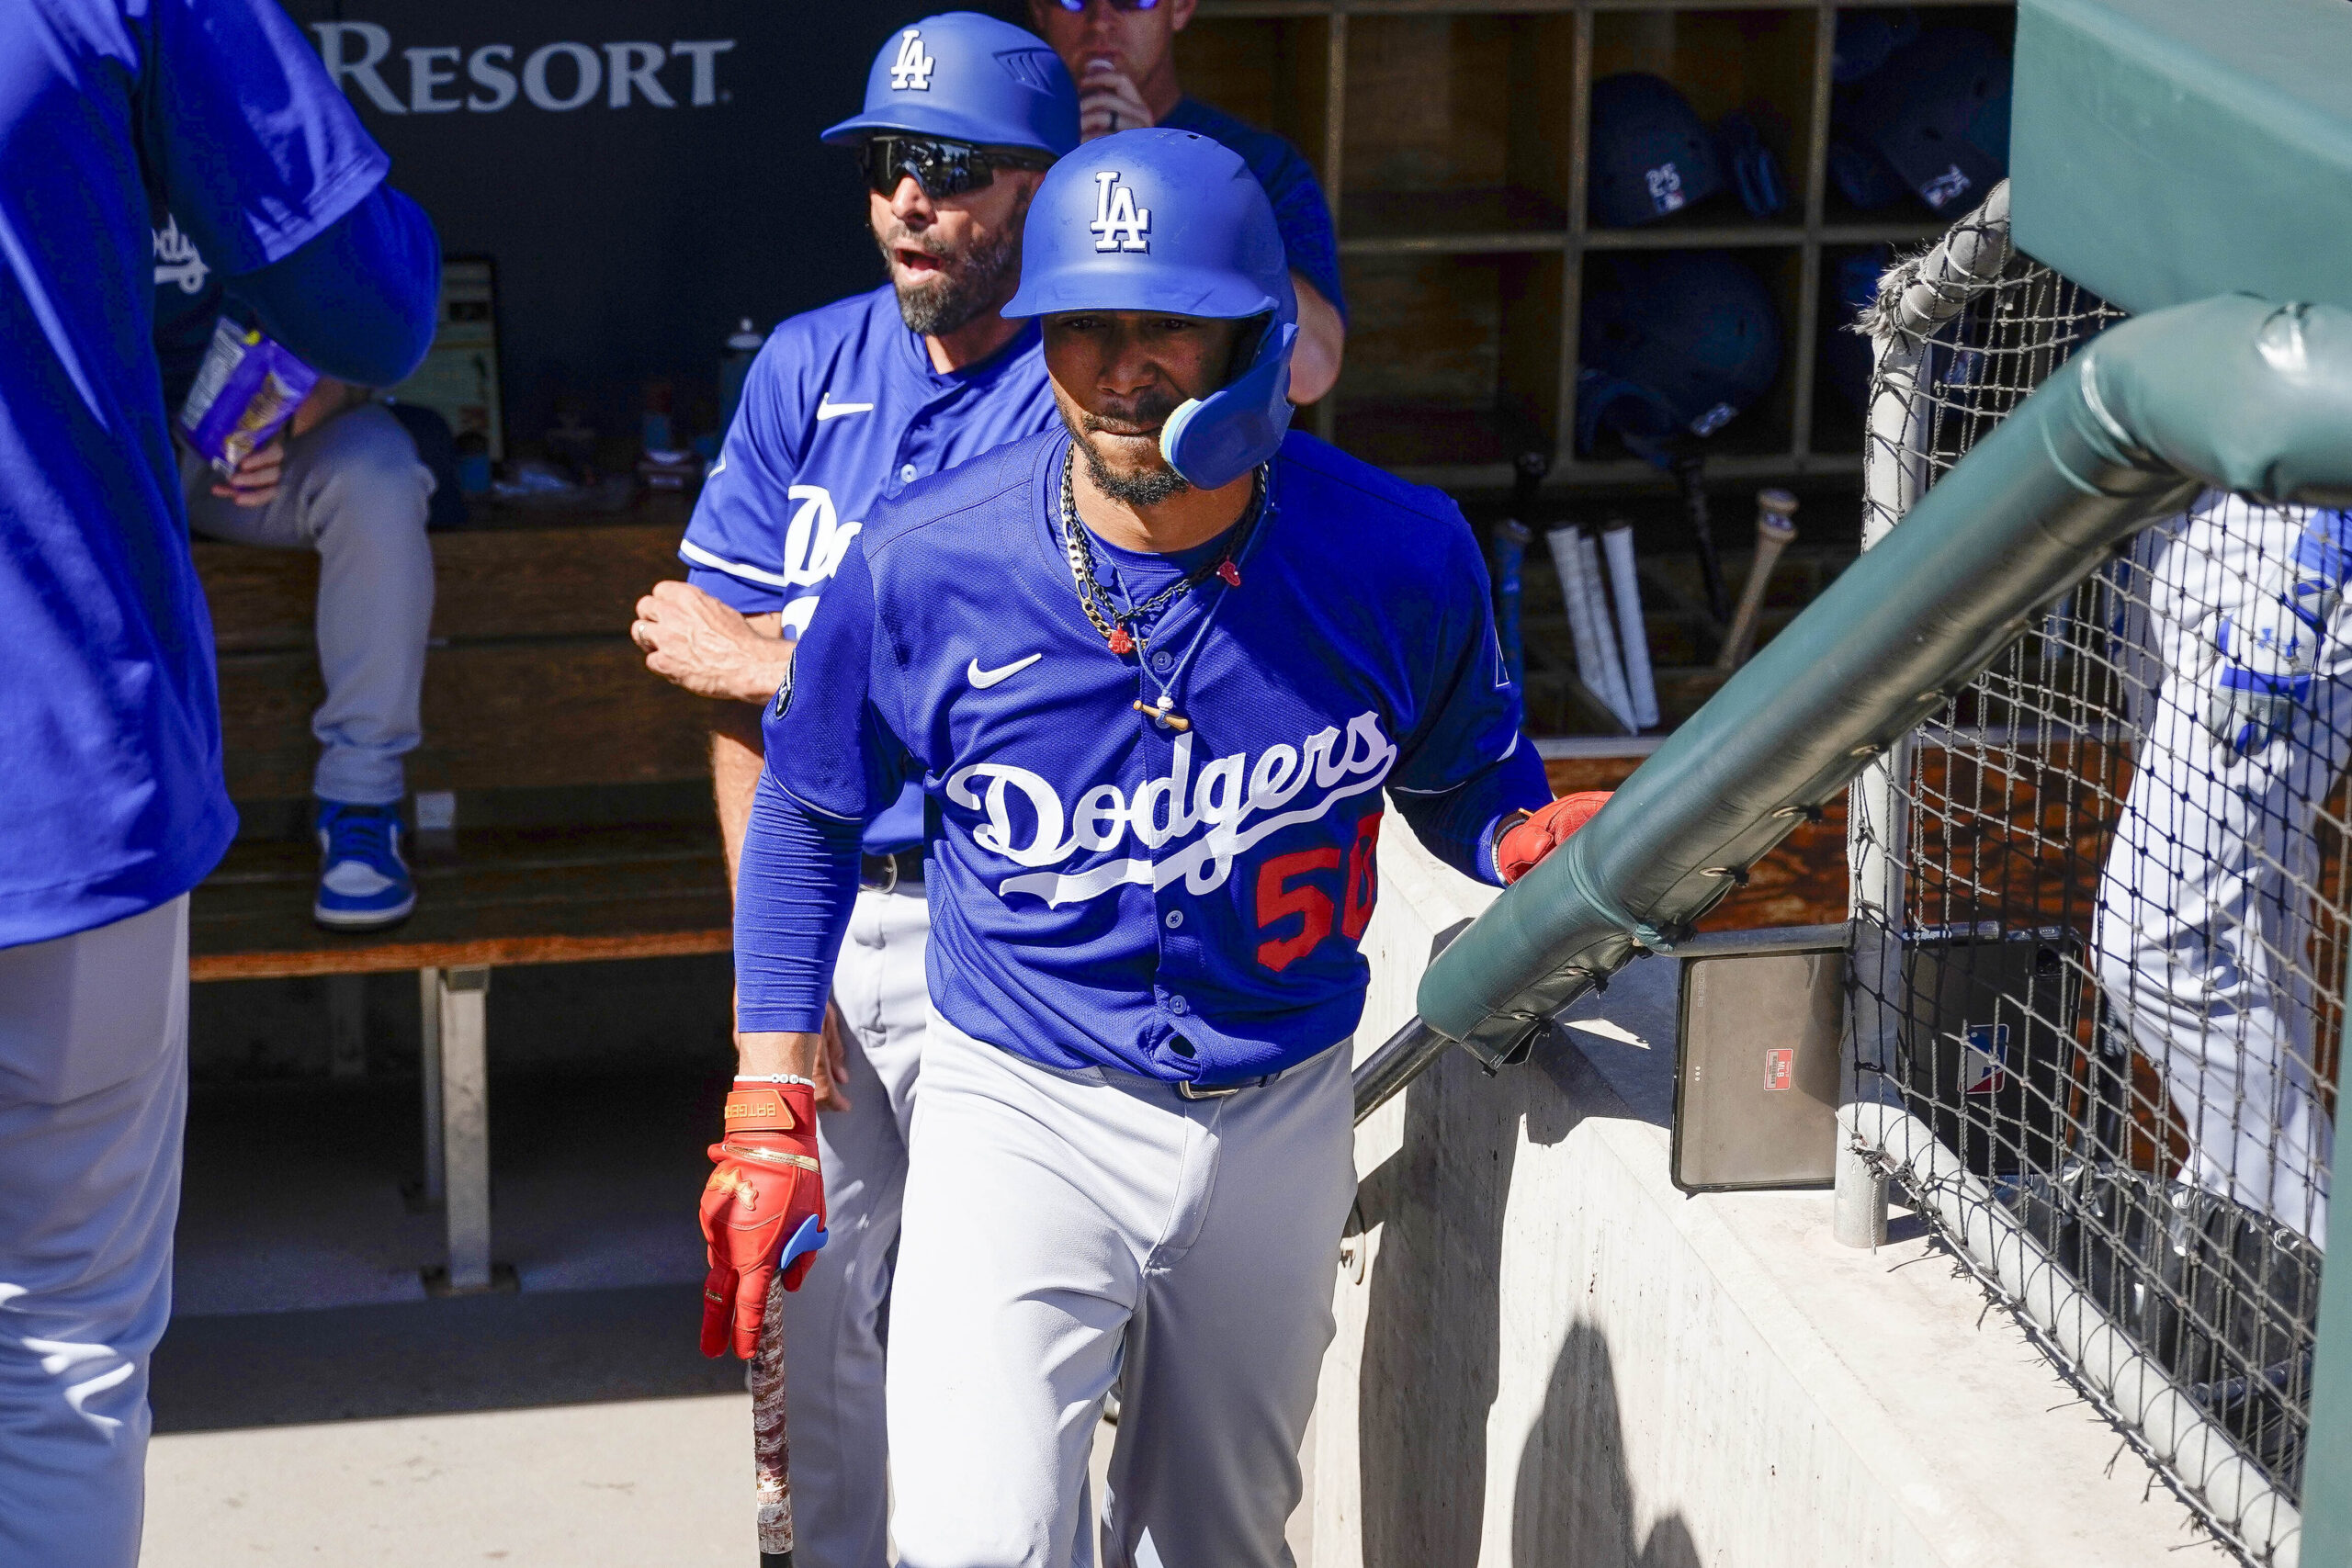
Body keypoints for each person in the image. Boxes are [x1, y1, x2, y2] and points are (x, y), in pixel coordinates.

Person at [718, 129, 1597, 1566]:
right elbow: (813, 802)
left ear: (1256, 336)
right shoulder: (925, 559)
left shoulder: (1400, 552)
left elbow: (1465, 769)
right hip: (1021, 1100)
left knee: (1221, 1536)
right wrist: (765, 1086)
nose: (1122, 373)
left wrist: (1517, 834)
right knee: (978, 1539)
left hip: (1282, 1101)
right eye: (1082, 331)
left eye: (1164, 329)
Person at [630, 15, 1078, 1566]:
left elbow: (1025, 696)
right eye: (889, 166)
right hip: (831, 915)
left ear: (1039, 185)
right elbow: (717, 691)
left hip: (1000, 927)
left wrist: (779, 658)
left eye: (948, 172)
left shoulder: (1083, 389)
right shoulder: (811, 363)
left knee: (991, 1343)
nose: (907, 203)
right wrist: (780, 967)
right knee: (813, 1338)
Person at [0, 2, 437, 1562]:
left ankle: (360, 808)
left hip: (58, 763)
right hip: (45, 768)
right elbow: (379, 297)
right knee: (49, 1354)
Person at [155, 239, 438, 930]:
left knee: (377, 471)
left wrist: (290, 414)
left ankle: (362, 804)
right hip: (108, 453)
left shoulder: (261, 139)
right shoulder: (60, 135)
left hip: (248, 452)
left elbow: (373, 324)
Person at [1026, 0, 1348, 403]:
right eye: (1073, 0)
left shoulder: (1256, 163)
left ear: (1180, 7)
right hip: (1033, 445)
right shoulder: (1004, 150)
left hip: (1193, 454)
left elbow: (1312, 371)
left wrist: (1172, 185)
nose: (1101, 22)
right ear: (1040, 10)